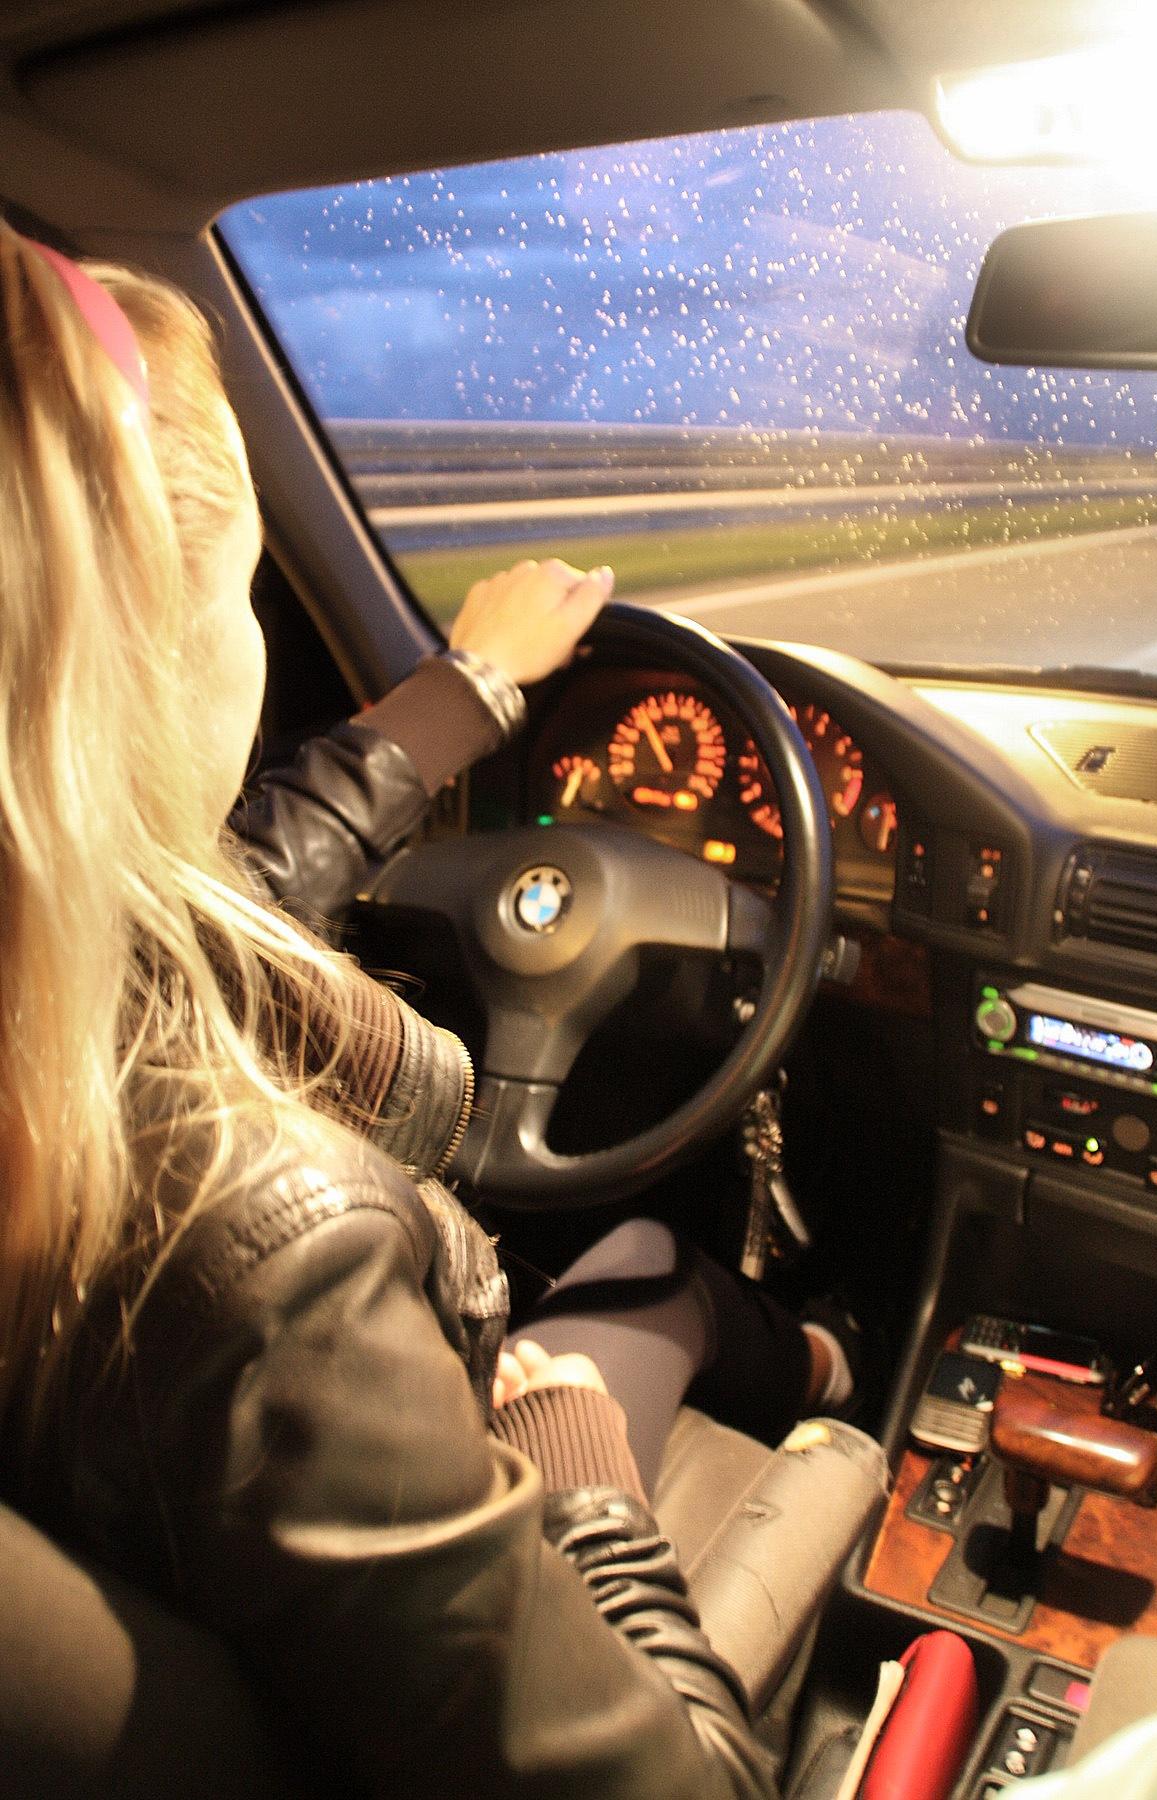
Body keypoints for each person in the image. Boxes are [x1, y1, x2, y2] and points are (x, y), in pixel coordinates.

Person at [0, 225, 846, 1796]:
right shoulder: (267, 1266)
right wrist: (583, 1482)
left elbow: (241, 885)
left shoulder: (57, 974)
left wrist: (470, 690)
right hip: (474, 1476)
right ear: (139, 658)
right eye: (244, 588)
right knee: (654, 1270)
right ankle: (833, 1386)